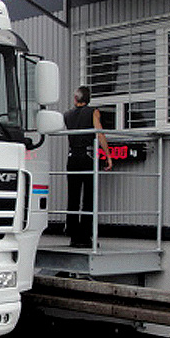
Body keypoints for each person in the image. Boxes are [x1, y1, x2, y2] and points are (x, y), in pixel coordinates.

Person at [63, 86, 112, 248]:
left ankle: (73, 235)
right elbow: (99, 133)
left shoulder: (67, 115)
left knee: (73, 197)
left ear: (76, 99)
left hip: (72, 158)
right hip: (87, 157)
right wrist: (108, 156)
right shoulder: (93, 112)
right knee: (88, 197)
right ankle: (85, 236)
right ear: (88, 99)